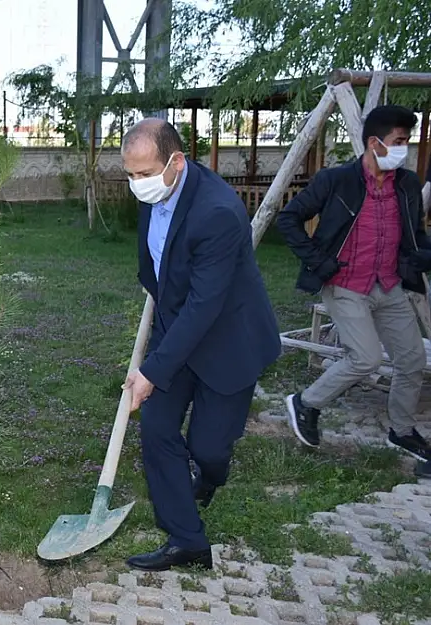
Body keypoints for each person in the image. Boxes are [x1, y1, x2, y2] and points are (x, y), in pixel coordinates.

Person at [121, 118, 281, 572]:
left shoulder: (217, 211)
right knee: (156, 427)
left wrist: (152, 370)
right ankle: (186, 539)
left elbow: (205, 306)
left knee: (209, 450)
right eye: (130, 175)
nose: (138, 186)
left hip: (230, 341)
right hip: (179, 330)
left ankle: (210, 476)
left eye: (145, 174)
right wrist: (159, 352)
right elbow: (159, 271)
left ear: (176, 162)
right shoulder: (156, 192)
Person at [277, 105, 431, 462]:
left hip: (390, 285)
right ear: (374, 143)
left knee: (410, 360)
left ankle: (402, 430)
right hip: (345, 284)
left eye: (407, 141)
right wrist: (318, 260)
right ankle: (305, 403)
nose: (403, 149)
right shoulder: (336, 180)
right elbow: (289, 219)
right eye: (399, 141)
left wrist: (422, 256)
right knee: (366, 358)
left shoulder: (406, 184)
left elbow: (415, 234)